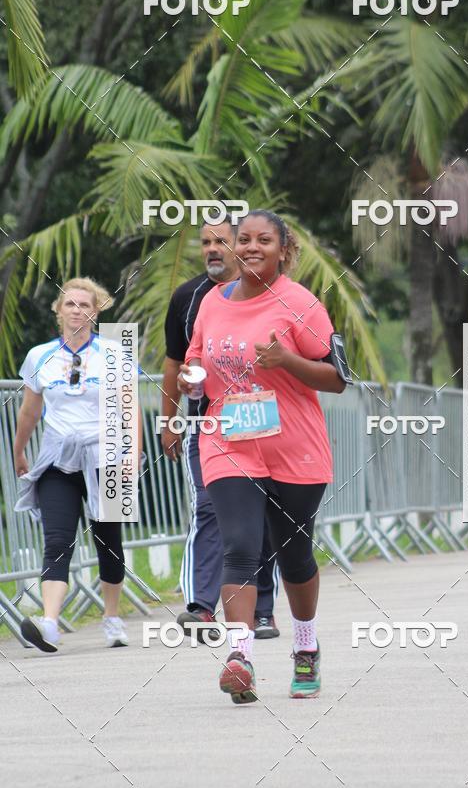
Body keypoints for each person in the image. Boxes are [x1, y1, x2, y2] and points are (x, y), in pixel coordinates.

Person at [179, 209, 347, 704]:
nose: (252, 247)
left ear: (282, 250)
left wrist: (288, 361)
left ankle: (305, 647)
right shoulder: (211, 302)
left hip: (295, 450)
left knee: (295, 557)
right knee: (239, 547)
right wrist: (192, 380)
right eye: (244, 239)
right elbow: (195, 361)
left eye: (264, 240)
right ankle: (240, 656)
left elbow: (337, 379)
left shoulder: (301, 304)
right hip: (228, 442)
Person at [162, 217, 280, 640]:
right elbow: (176, 361)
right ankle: (201, 605)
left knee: (262, 513)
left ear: (240, 247)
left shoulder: (270, 293)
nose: (212, 249)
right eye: (205, 242)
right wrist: (171, 419)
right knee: (209, 507)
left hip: (261, 416)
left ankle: (263, 611)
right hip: (207, 419)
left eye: (221, 241)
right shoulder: (189, 297)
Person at [13, 278, 140, 652]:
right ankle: (50, 625)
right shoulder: (40, 356)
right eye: (70, 304)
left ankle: (112, 618)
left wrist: (131, 456)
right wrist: (21, 450)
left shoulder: (116, 353)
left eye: (85, 305)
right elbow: (30, 409)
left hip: (108, 456)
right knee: (57, 540)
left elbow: (129, 408)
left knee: (109, 542)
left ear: (96, 311)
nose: (77, 310)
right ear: (59, 311)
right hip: (58, 459)